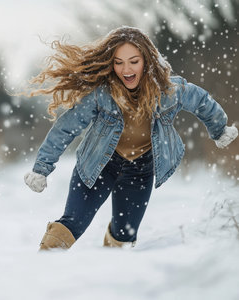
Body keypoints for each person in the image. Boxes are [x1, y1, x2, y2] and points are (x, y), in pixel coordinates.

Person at [24, 26, 238, 251]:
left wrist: (219, 130)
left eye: (133, 61)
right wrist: (42, 167)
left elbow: (202, 101)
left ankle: (114, 277)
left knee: (124, 237)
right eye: (118, 62)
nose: (126, 69)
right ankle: (43, 268)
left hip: (140, 171)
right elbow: (66, 128)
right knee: (72, 224)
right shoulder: (101, 94)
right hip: (97, 167)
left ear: (147, 61)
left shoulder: (170, 91)